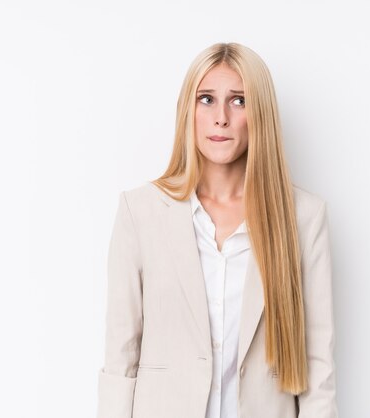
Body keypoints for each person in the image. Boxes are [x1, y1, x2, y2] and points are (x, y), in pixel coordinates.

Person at [97, 42, 338, 418]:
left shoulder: (304, 218)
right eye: (206, 99)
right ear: (188, 111)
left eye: (239, 101)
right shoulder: (140, 212)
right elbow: (120, 359)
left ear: (260, 114)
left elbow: (317, 368)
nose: (221, 117)